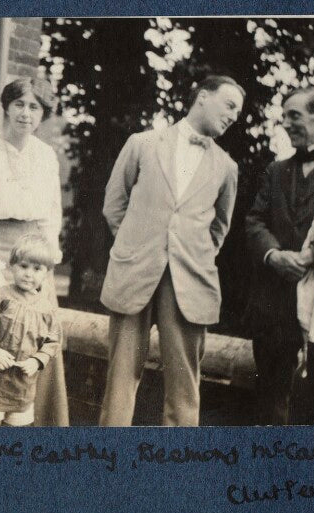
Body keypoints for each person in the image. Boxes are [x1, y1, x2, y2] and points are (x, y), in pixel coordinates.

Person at [99, 75, 245, 427]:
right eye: (229, 106)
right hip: (134, 273)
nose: (233, 117)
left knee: (184, 391)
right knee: (118, 384)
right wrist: (139, 244)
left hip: (189, 285)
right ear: (203, 97)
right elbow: (113, 206)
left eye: (238, 114)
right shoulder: (143, 143)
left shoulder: (227, 167)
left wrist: (187, 255)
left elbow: (218, 229)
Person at [0, 77, 69, 426]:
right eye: (20, 104)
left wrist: (48, 258)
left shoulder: (46, 155)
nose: (26, 113)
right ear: (7, 107)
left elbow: (52, 211)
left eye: (34, 107)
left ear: (43, 115)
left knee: (38, 338)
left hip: (35, 257)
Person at [245, 86, 314, 425]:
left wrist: (309, 258)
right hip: (274, 305)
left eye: (295, 115)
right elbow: (254, 220)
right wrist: (273, 255)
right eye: (284, 116)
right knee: (270, 405)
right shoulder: (276, 171)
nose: (286, 123)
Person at [0, 234, 62, 427]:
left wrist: (37, 361)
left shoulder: (47, 309)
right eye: (23, 266)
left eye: (37, 269)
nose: (29, 274)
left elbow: (53, 341)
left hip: (23, 384)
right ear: (12, 266)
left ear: (46, 273)